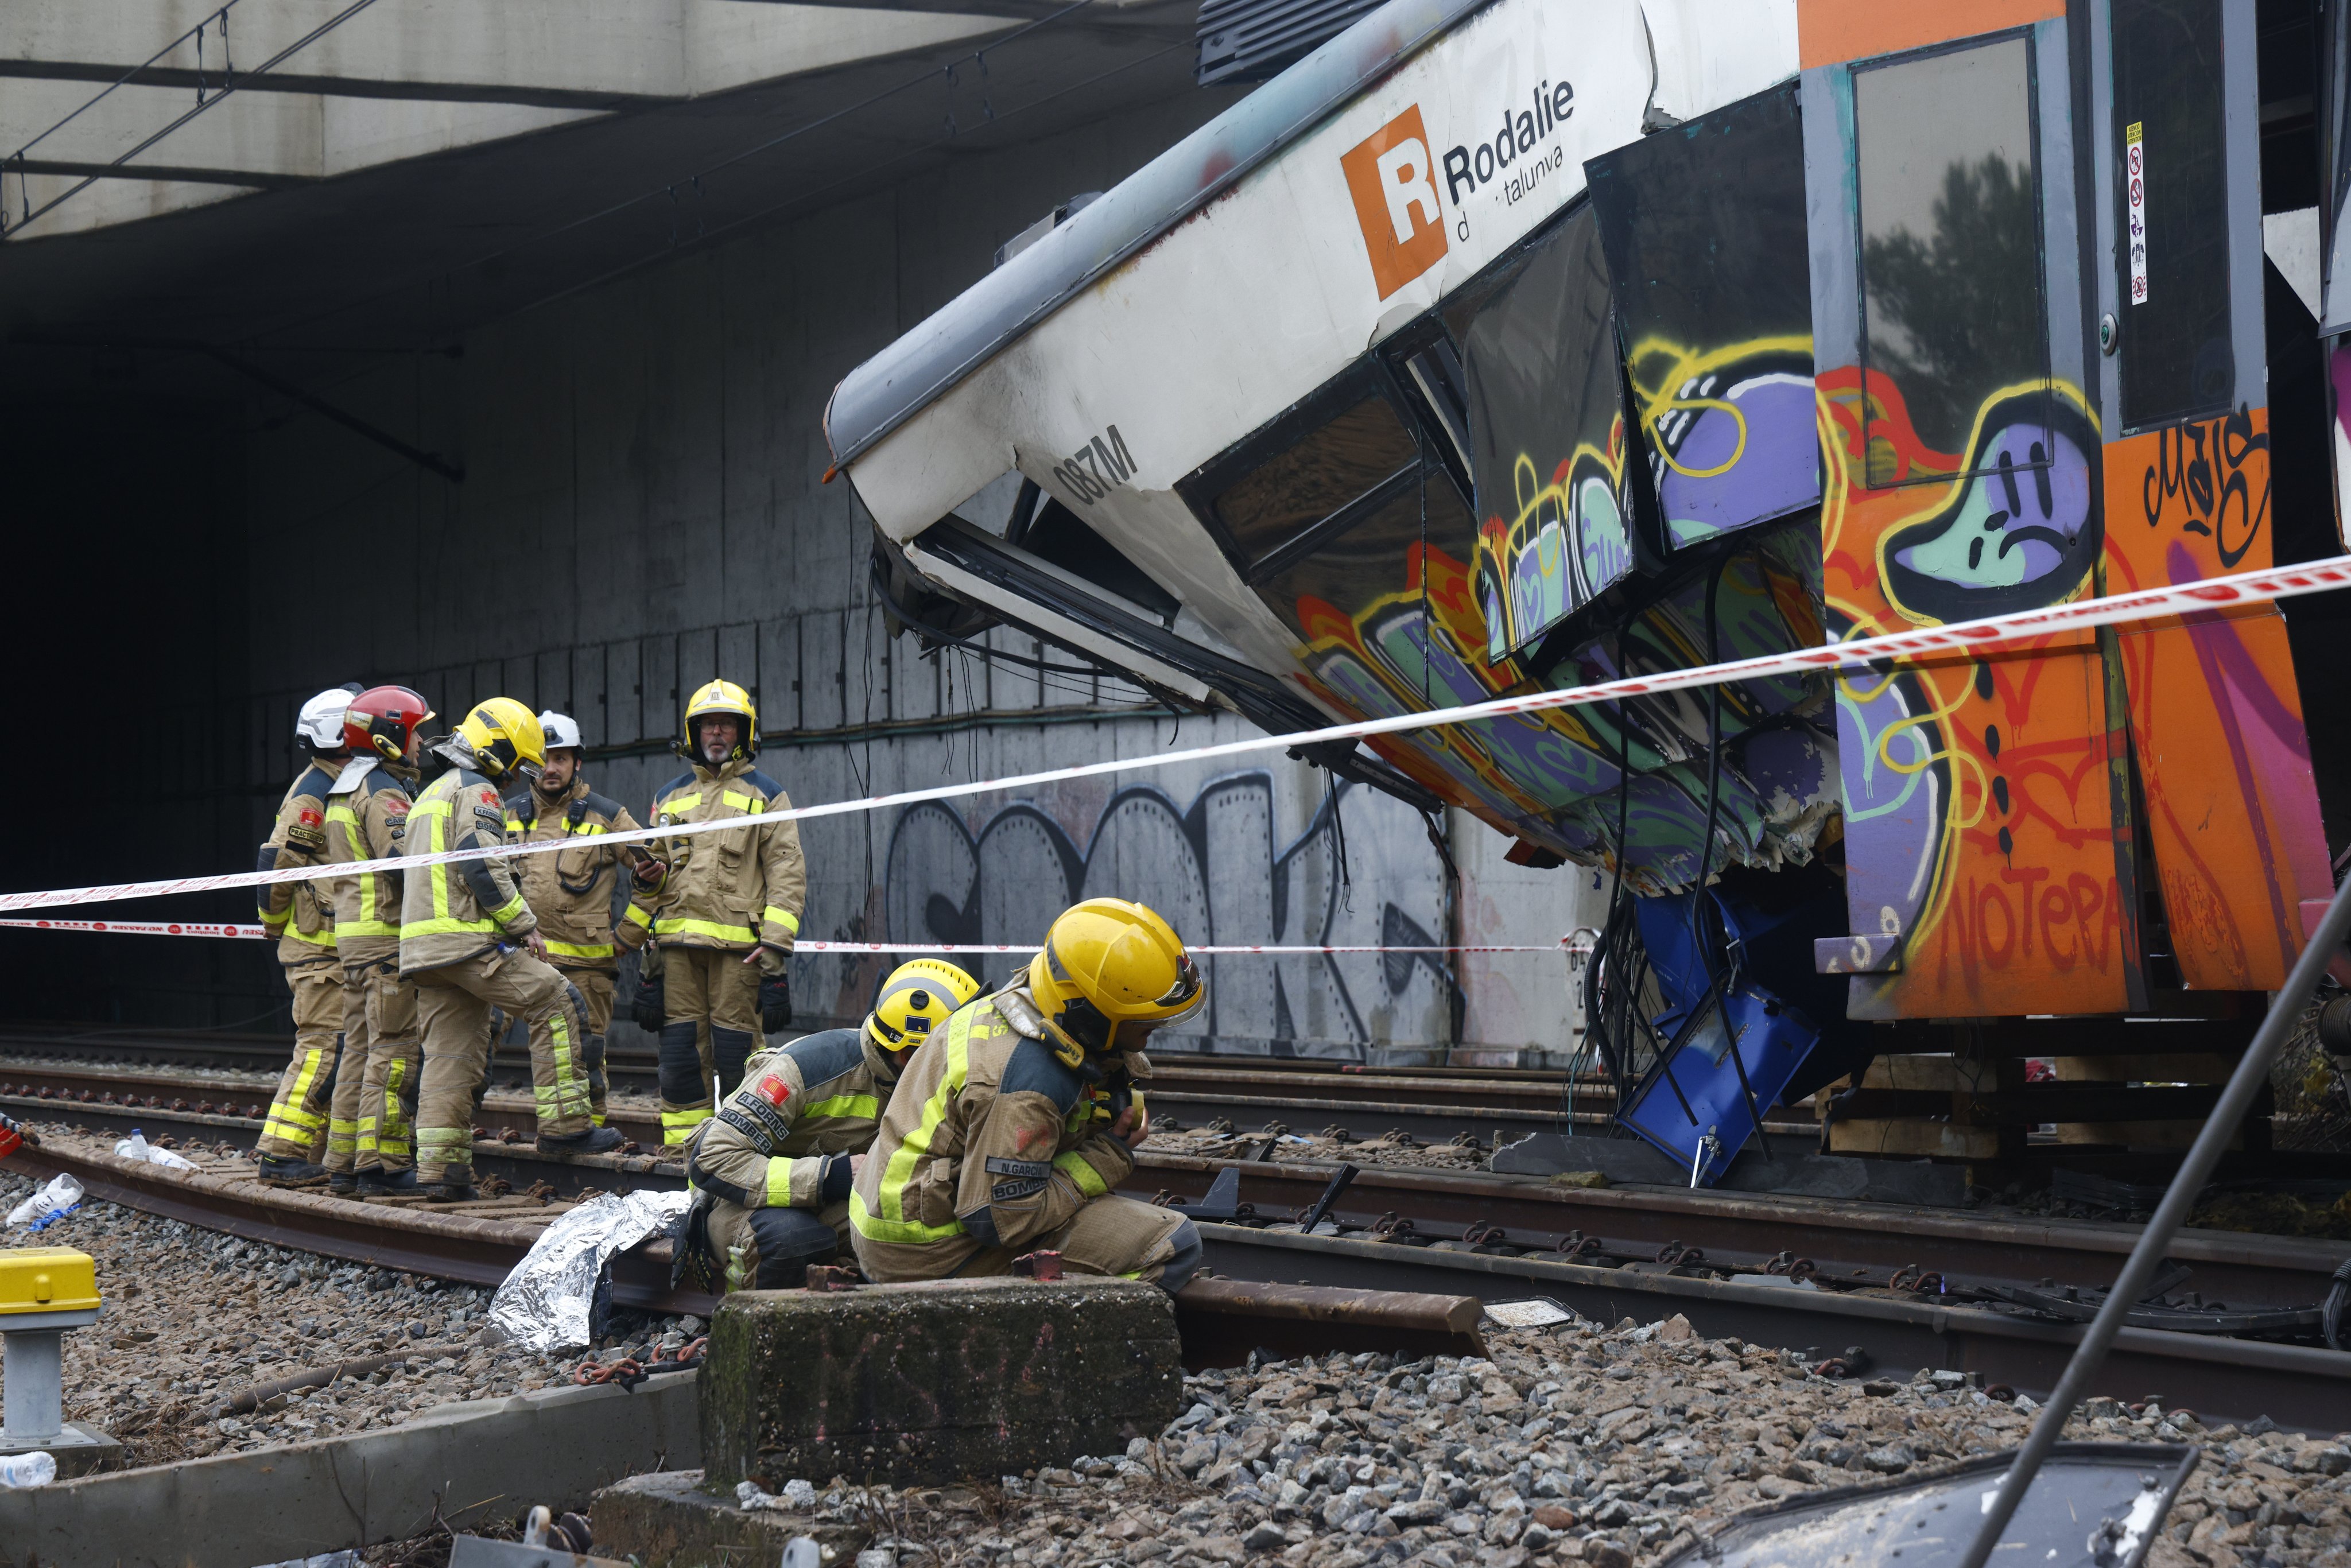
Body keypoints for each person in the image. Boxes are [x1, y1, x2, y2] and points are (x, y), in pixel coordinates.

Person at [849, 899, 1206, 1294]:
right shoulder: (1029, 1084)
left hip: (903, 1225)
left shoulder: (1027, 1003)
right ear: (1092, 1016)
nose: (1155, 1027)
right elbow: (1000, 1219)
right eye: (1144, 1021)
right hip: (927, 1253)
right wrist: (1111, 1152)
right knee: (1172, 1244)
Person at [399, 698, 622, 1200]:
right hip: (467, 941)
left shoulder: (432, 792)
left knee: (450, 1055)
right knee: (557, 1000)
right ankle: (566, 1127)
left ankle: (441, 1170)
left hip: (426, 952)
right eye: (517, 764)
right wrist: (524, 926)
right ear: (496, 750)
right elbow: (480, 864)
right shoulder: (477, 790)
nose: (514, 778)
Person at [677, 958, 980, 1292]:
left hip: (842, 1205)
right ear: (910, 1054)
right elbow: (713, 1158)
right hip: (745, 1204)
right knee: (794, 1240)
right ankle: (757, 1328)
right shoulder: (805, 1070)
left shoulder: (942, 1080)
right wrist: (832, 1175)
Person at [636, 680, 806, 1149]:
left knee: (736, 1057)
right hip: (675, 952)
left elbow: (786, 873)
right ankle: (683, 1156)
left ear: (743, 733)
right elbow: (652, 873)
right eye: (708, 725)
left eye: (727, 725)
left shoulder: (767, 795)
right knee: (680, 1057)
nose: (717, 733)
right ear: (694, 734)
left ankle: (736, 1153)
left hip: (740, 952)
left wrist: (774, 945)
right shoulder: (669, 798)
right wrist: (644, 892)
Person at [502, 711, 664, 1130]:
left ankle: (586, 1133)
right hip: (516, 963)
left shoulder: (606, 816)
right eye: (542, 759)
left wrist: (627, 937)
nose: (550, 769)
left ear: (578, 763)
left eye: (560, 759)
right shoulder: (506, 815)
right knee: (486, 1043)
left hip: (585, 969)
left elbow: (656, 871)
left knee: (584, 1055)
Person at [320, 685, 434, 1195]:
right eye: (415, 731)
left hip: (352, 945)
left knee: (360, 1054)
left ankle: (343, 1161)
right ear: (390, 737)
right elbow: (403, 864)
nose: (421, 742)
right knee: (394, 1052)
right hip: (386, 941)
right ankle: (382, 1164)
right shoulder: (384, 791)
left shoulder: (343, 786)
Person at [255, 684, 362, 1185]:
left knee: (339, 1050)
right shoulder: (314, 792)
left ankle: (314, 1154)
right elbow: (277, 864)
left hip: (334, 949)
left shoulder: (337, 783)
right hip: (319, 952)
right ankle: (281, 1153)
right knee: (323, 1050)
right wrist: (274, 925)